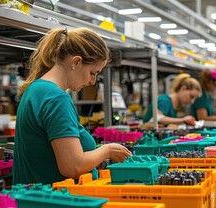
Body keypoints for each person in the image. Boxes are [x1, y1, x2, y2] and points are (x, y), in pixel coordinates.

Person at [14, 28, 132, 184]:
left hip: (37, 199)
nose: (93, 81)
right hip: (58, 201)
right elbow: (73, 166)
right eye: (93, 72)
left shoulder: (35, 89)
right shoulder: (56, 99)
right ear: (76, 62)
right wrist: (107, 150)